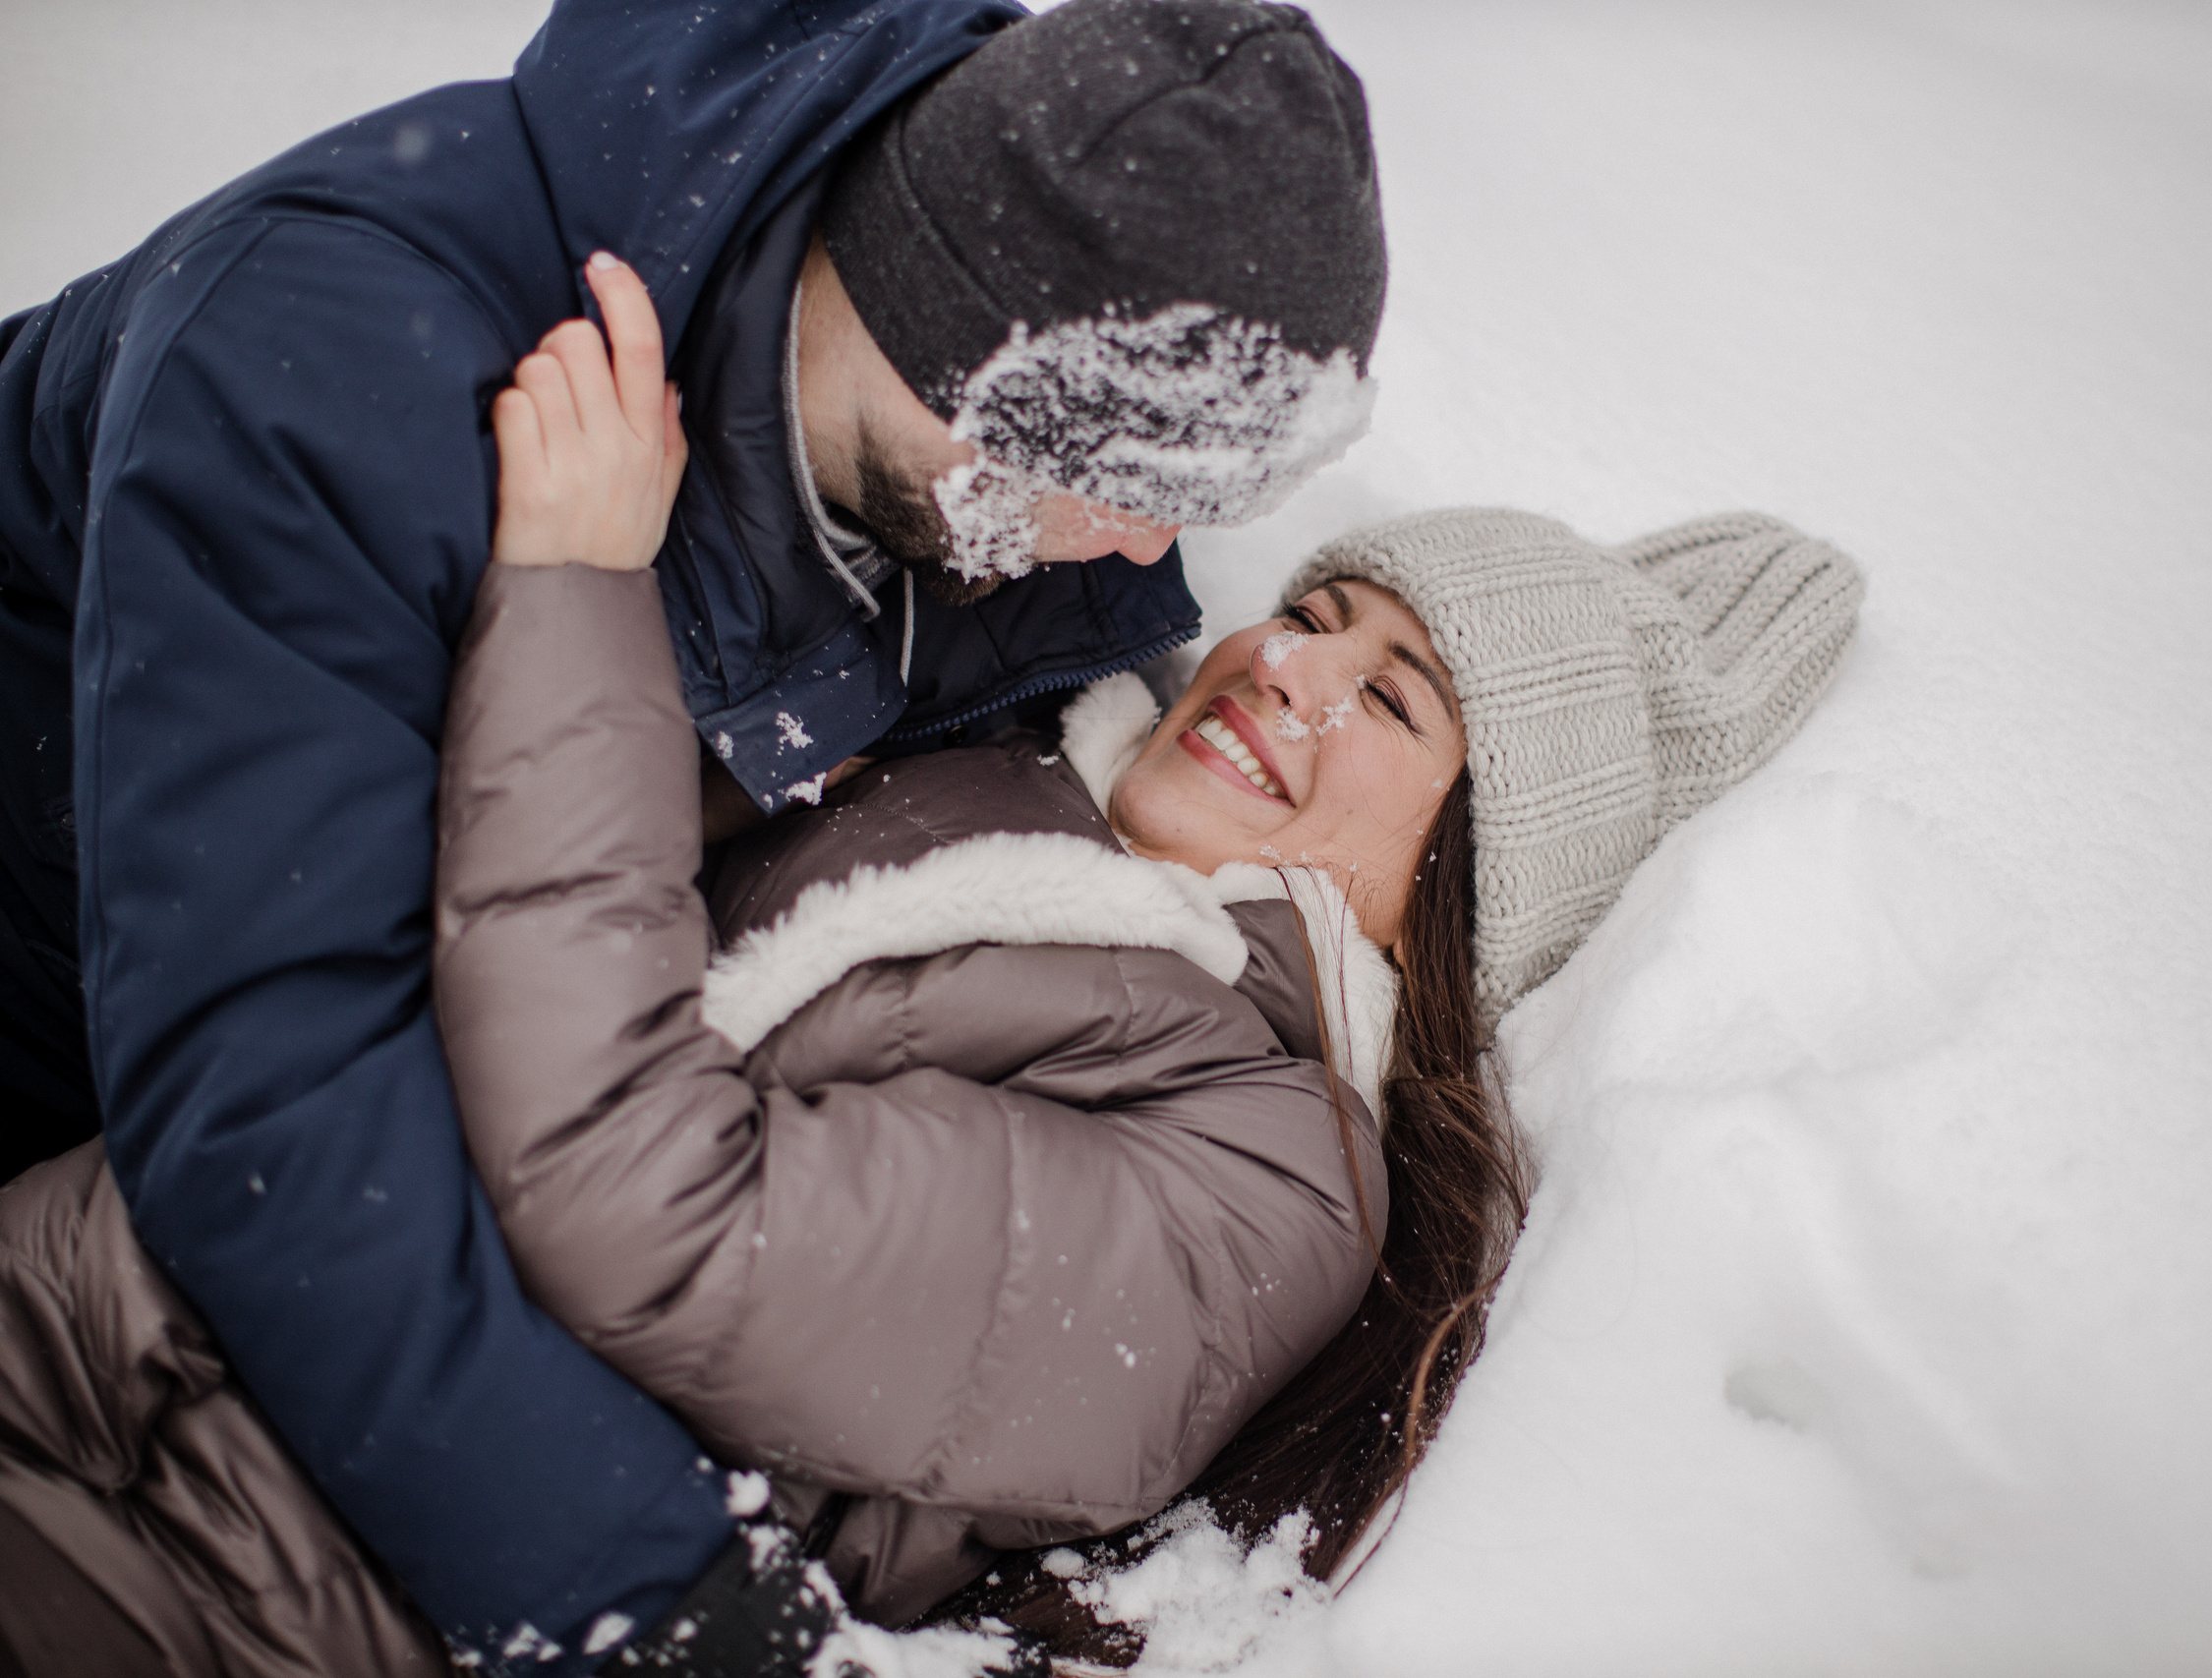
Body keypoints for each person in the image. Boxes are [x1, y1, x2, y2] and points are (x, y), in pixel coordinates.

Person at [0, 262, 1864, 1675]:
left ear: (1450, 897)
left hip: (234, 1573)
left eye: (1390, 699)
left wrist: (572, 595)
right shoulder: (994, 779)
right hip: (96, 1302)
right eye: (1315, 610)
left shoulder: (1262, 1182)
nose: (1286, 669)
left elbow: (656, 1214)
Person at [0, 0, 1384, 1665]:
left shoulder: (971, 536)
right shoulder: (339, 351)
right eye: (1122, 474)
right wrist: (669, 1611)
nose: (1145, 543)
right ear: (967, 345)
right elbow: (273, 1097)